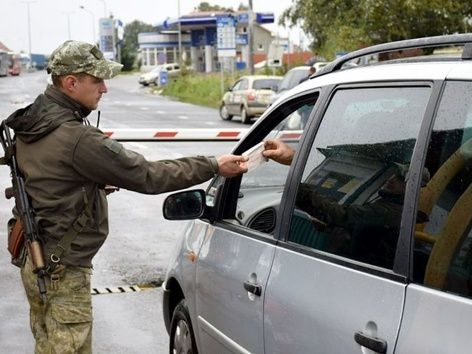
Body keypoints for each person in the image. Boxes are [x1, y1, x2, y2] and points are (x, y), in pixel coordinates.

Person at [4, 40, 248, 353]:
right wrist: (213, 164)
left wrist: (88, 187)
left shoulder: (33, 122)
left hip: (34, 257)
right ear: (71, 83)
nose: (104, 88)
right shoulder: (75, 137)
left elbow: (47, 178)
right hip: (61, 268)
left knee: (47, 345)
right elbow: (148, 175)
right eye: (97, 80)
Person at [263, 139, 430, 267]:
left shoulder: (391, 211)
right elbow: (364, 229)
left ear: (413, 189)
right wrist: (331, 228)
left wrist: (298, 187)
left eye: (401, 178)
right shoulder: (390, 205)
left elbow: (343, 215)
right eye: (394, 173)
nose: (392, 179)